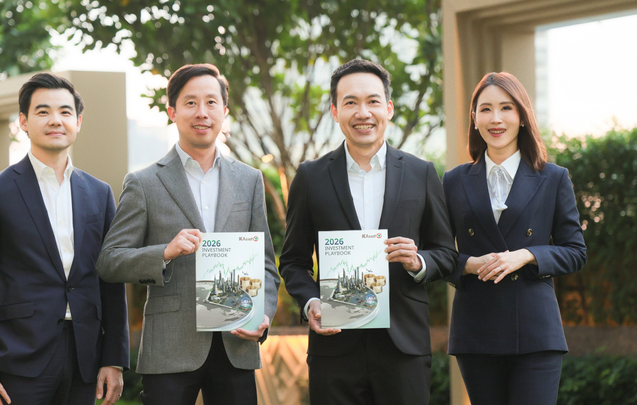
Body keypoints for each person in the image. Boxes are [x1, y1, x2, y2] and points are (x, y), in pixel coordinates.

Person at [96, 63, 280, 405]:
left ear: (224, 112)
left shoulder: (249, 180)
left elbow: (267, 265)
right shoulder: (144, 182)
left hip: (236, 344)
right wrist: (164, 252)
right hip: (170, 347)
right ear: (172, 111)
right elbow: (109, 261)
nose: (202, 112)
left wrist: (264, 314)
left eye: (211, 102)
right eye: (190, 103)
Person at [279, 58, 457, 405]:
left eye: (373, 101)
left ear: (388, 108)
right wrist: (311, 302)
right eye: (351, 102)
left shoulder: (421, 173)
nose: (363, 113)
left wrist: (418, 262)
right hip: (334, 347)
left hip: (403, 347)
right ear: (335, 111)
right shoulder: (310, 177)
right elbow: (293, 262)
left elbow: (447, 254)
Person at [0, 72, 130, 405]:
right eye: (43, 111)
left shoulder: (99, 193)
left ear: (78, 122)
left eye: (65, 112)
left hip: (85, 355)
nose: (55, 120)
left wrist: (114, 357)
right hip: (19, 354)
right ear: (23, 121)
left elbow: (111, 279)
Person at [442, 72, 587, 405]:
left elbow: (575, 252)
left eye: (506, 108)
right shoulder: (453, 181)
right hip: (476, 328)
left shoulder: (553, 178)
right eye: (486, 109)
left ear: (522, 116)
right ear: (474, 118)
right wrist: (469, 264)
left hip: (536, 330)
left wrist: (526, 255)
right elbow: (439, 253)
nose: (496, 118)